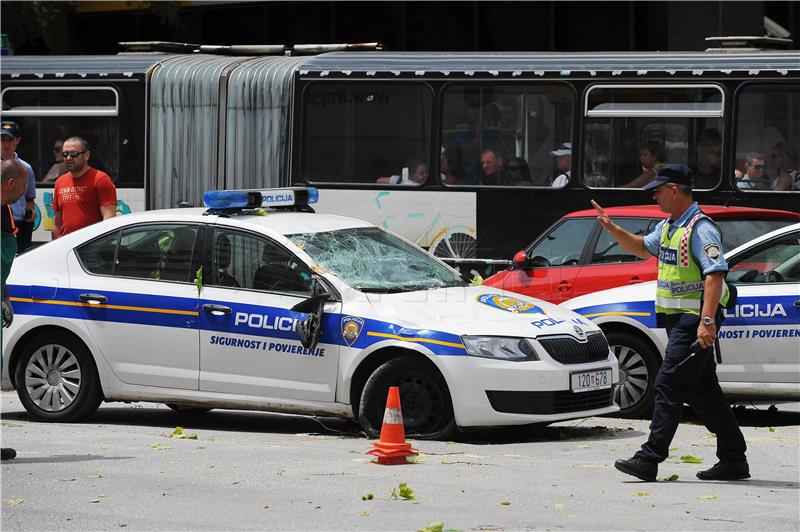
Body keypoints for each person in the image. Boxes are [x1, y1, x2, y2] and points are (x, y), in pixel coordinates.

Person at [591, 164, 749, 482]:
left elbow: (715, 274)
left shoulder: (700, 228)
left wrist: (706, 321)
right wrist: (611, 228)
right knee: (705, 394)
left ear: (675, 191)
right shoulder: (670, 227)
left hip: (694, 321)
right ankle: (733, 458)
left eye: (659, 190)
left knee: (667, 384)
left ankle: (649, 458)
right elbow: (639, 247)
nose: (655, 195)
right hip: (680, 321)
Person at [1, 159, 30, 461]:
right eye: (22, 186)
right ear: (10, 184)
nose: (24, 192)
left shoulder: (5, 212)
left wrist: (5, 295)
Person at [52, 136, 117, 238]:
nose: (69, 158)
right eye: (65, 154)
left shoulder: (101, 179)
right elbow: (56, 223)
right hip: (66, 246)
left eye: (74, 154)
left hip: (91, 247)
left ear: (87, 155)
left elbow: (109, 219)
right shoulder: (59, 182)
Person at [0, 121, 36, 253]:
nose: (5, 144)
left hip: (20, 224)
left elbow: (30, 198)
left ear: (18, 140)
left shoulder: (25, 168)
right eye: (2, 139)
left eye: (9, 139)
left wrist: (30, 212)